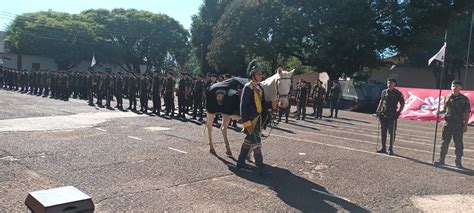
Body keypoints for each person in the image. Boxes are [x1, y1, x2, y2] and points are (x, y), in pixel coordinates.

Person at [236, 59, 269, 176]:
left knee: (248, 141)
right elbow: (243, 106)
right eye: (258, 73)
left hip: (258, 119)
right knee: (256, 143)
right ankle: (260, 167)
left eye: (261, 74)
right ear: (252, 74)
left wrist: (272, 106)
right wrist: (246, 123)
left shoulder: (259, 87)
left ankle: (240, 162)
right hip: (251, 120)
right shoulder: (248, 87)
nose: (261, 75)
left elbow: (263, 103)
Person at [434, 80, 471, 168]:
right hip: (447, 124)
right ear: (451, 87)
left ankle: (458, 162)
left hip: (458, 125)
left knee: (458, 144)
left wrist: (465, 125)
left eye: (457, 86)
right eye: (453, 86)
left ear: (460, 88)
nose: (455, 88)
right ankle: (441, 160)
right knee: (444, 142)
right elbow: (444, 109)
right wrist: (439, 112)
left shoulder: (464, 99)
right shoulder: (447, 97)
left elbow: (467, 113)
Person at [375, 78, 405, 155]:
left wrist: (398, 112)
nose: (389, 84)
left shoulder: (398, 93)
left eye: (391, 83)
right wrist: (378, 111)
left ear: (394, 84)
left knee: (392, 132)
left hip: (392, 115)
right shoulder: (384, 92)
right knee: (383, 131)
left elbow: (402, 104)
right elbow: (381, 101)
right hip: (383, 114)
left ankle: (390, 149)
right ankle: (383, 147)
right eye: (388, 83)